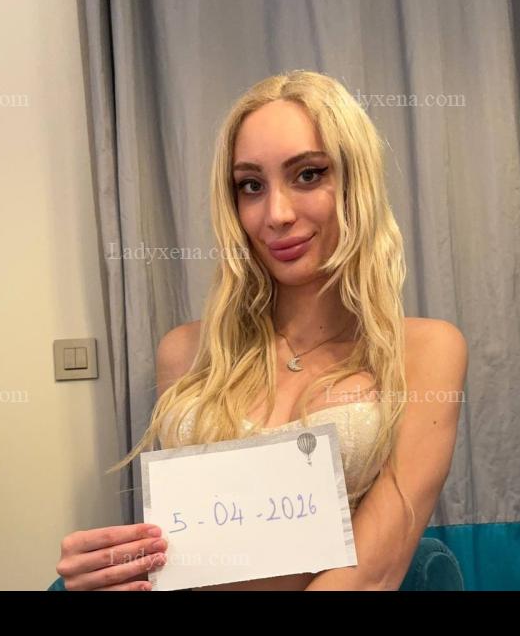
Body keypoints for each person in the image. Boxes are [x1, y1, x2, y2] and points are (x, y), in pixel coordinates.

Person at [56, 70, 468, 591]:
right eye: (251, 186)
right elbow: (189, 552)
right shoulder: (185, 353)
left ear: (356, 182)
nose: (276, 214)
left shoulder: (426, 351)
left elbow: (372, 574)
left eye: (308, 175)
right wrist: (115, 573)